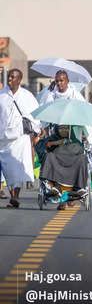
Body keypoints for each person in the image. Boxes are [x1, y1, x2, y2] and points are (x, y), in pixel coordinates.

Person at [0, 69, 40, 208]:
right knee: (7, 169)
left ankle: (14, 196)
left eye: (13, 77)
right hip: (4, 138)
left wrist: (36, 131)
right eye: (9, 77)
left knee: (18, 167)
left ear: (19, 79)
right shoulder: (1, 95)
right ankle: (13, 194)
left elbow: (35, 115)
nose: (10, 80)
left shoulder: (27, 96)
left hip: (20, 138)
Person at [39, 124, 89, 210]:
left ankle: (77, 189)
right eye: (61, 128)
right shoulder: (53, 138)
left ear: (70, 130)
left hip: (73, 167)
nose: (64, 130)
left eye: (66, 128)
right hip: (57, 168)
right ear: (57, 129)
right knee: (49, 156)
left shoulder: (75, 141)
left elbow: (82, 148)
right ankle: (57, 191)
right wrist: (55, 143)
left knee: (83, 158)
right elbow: (42, 147)